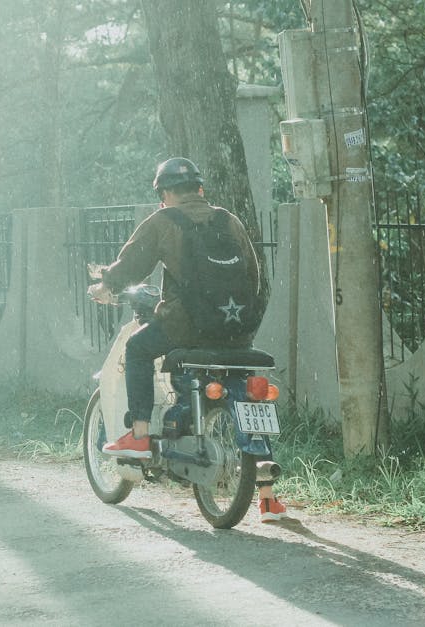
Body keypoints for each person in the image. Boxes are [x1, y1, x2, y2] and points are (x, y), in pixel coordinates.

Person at [86, 157, 290, 522]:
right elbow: (255, 276)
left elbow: (131, 266)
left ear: (164, 194)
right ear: (200, 189)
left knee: (137, 348)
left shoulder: (164, 222)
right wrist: (238, 321)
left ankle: (139, 433)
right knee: (243, 386)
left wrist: (105, 285)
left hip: (187, 328)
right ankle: (268, 497)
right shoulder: (230, 220)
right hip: (238, 329)